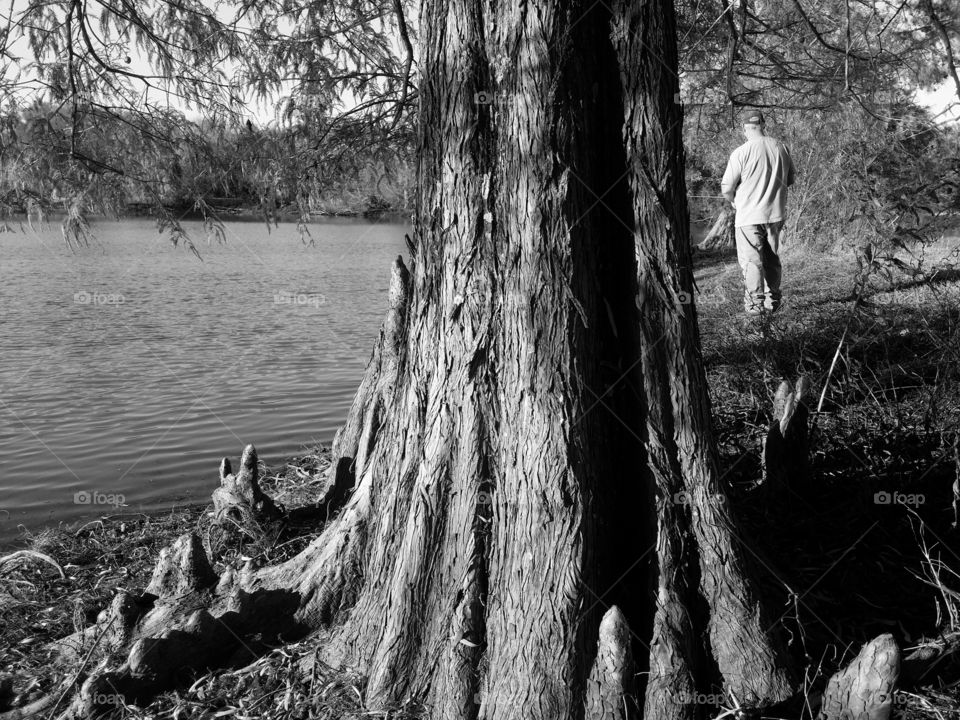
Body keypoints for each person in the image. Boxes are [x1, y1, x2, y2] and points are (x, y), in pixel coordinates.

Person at [720, 110, 796, 315]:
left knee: (752, 263)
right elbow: (790, 180)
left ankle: (754, 309)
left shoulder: (741, 152)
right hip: (776, 216)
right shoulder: (781, 147)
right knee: (772, 261)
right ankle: (773, 304)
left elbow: (726, 187)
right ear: (763, 125)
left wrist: (734, 200)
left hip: (748, 218)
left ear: (745, 128)